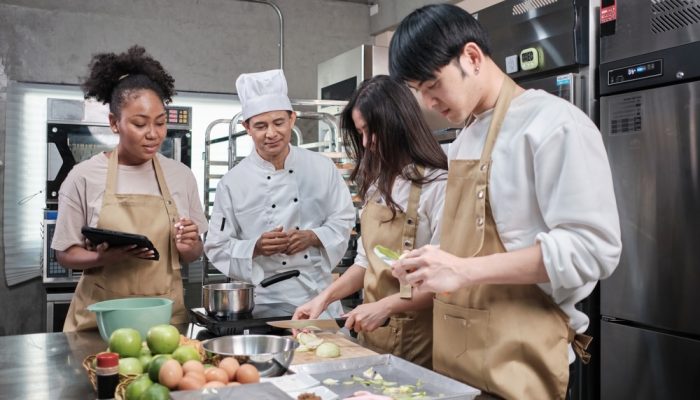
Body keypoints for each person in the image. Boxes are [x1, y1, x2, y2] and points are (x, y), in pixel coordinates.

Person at [388, 4, 622, 400]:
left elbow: (592, 249)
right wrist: (433, 262)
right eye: (419, 93)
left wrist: (464, 269)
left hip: (518, 361)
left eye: (433, 86)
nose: (429, 104)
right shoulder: (463, 138)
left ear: (472, 57)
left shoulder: (553, 124)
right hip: (458, 361)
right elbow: (464, 246)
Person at [293, 75, 447, 369]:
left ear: (397, 123)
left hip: (420, 341)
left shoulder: (438, 184)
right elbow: (366, 264)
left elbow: (444, 281)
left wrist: (385, 306)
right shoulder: (379, 184)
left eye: (370, 132)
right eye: (361, 133)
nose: (366, 143)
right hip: (373, 337)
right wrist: (323, 300)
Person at [52, 45, 208, 331]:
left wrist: (189, 244)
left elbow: (194, 253)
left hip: (163, 322)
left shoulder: (181, 176)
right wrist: (102, 257)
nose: (153, 134)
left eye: (160, 123)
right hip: (101, 323)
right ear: (114, 123)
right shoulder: (84, 176)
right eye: (140, 123)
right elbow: (65, 253)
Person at [204, 69, 355, 317]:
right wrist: (256, 247)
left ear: (292, 119)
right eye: (261, 126)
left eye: (279, 123)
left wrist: (314, 236)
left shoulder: (321, 167)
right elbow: (217, 246)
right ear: (247, 128)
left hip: (319, 297)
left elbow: (344, 219)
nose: (271, 133)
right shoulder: (232, 183)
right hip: (264, 303)